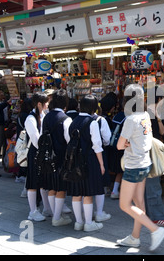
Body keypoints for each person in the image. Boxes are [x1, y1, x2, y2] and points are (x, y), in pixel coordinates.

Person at [116, 84, 164, 251]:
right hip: (145, 163)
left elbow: (118, 145)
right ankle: (135, 237)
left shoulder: (131, 119)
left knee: (124, 205)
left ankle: (155, 230)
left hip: (133, 165)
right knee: (139, 203)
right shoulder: (145, 114)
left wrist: (128, 143)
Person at [67, 95, 106, 232]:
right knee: (88, 193)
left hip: (74, 160)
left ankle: (78, 222)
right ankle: (88, 223)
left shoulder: (72, 121)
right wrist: (101, 164)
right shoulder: (92, 122)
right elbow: (97, 145)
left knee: (77, 192)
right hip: (89, 160)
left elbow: (69, 142)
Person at [41, 89, 73, 227]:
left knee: (51, 187)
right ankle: (56, 217)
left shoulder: (46, 117)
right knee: (61, 188)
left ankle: (55, 214)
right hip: (61, 156)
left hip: (48, 156)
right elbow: (69, 139)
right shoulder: (66, 119)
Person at [146, 92, 164, 227]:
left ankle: (146, 214)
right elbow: (161, 133)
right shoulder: (149, 114)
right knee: (153, 185)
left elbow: (162, 132)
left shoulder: (149, 113)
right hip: (151, 152)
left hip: (147, 152)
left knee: (147, 185)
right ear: (158, 99)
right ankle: (157, 217)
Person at [25, 92, 51, 221]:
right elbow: (36, 140)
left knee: (43, 181)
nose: (47, 105)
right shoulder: (31, 118)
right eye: (46, 103)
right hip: (35, 152)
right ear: (39, 104)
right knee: (33, 182)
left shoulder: (43, 115)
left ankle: (46, 208)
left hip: (42, 152)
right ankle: (33, 211)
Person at [91, 95, 112, 223]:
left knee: (85, 185)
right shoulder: (100, 120)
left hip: (82, 155)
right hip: (98, 154)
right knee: (99, 184)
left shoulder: (77, 119)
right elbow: (107, 139)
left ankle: (84, 214)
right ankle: (99, 212)